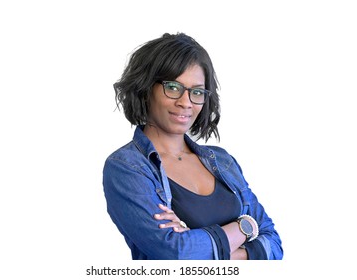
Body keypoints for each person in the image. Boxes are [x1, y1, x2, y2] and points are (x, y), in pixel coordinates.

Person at [103, 32, 283, 260]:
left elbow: (274, 245)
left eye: (196, 91)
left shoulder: (222, 161)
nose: (185, 102)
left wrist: (203, 244)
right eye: (173, 87)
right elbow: (176, 253)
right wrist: (245, 227)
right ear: (146, 88)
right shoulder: (126, 168)